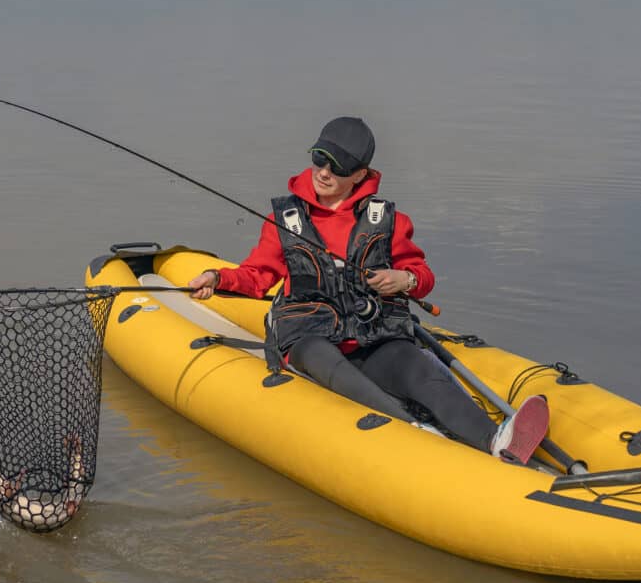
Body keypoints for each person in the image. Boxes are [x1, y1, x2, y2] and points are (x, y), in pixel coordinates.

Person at [188, 117, 549, 463]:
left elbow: (422, 275)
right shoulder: (285, 219)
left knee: (414, 363)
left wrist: (402, 280)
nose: (324, 172)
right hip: (307, 338)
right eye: (319, 159)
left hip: (371, 338)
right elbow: (258, 275)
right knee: (320, 356)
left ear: (360, 174)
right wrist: (217, 279)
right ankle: (415, 432)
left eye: (338, 167)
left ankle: (495, 440)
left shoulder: (388, 220)